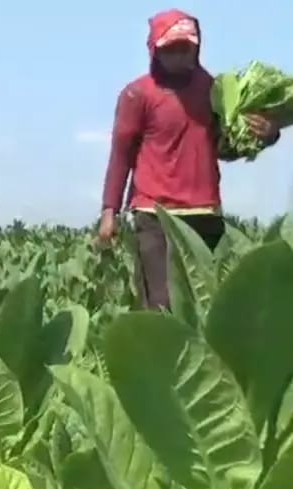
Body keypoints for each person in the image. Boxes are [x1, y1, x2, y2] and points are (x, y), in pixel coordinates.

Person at [98, 9, 281, 309]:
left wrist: (267, 134)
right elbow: (122, 154)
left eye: (186, 48)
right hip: (155, 213)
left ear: (197, 48)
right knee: (161, 304)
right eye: (171, 50)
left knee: (206, 304)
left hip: (205, 211)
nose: (180, 57)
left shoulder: (213, 90)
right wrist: (109, 210)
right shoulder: (137, 94)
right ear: (155, 51)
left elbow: (224, 148)